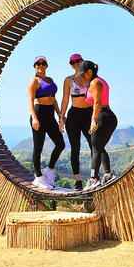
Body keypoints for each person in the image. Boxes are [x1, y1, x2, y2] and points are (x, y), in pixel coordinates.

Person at [27, 55, 65, 190]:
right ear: (35, 66)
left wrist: (60, 114)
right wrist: (34, 117)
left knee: (60, 144)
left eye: (43, 63)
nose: (41, 65)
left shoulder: (50, 80)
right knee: (38, 147)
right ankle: (38, 177)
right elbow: (30, 101)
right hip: (39, 114)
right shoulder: (34, 81)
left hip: (50, 115)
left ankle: (49, 170)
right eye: (38, 64)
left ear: (46, 65)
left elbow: (53, 99)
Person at [79, 60, 118, 191]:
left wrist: (93, 119)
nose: (82, 77)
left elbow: (97, 103)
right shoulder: (99, 81)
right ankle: (108, 175)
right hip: (108, 116)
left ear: (90, 72)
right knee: (99, 147)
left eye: (83, 74)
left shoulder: (95, 82)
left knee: (95, 148)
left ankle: (93, 179)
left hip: (102, 116)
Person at [58, 53, 91, 191]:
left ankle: (94, 177)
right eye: (72, 62)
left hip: (89, 115)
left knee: (94, 145)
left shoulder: (90, 77)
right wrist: (61, 118)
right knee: (75, 149)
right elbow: (65, 99)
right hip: (74, 115)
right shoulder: (68, 80)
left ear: (82, 61)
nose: (75, 63)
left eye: (78, 61)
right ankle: (78, 181)